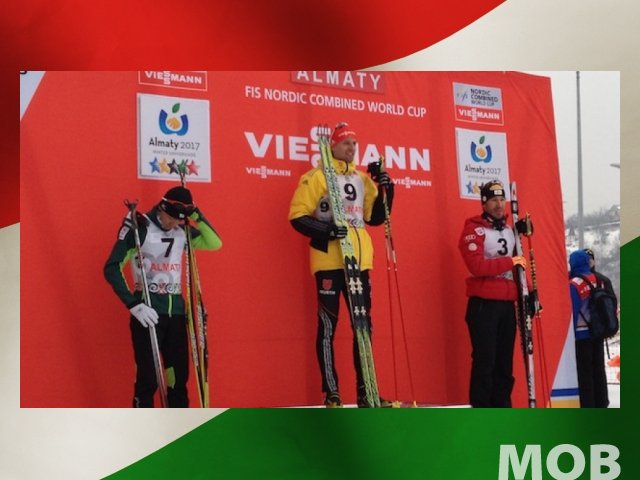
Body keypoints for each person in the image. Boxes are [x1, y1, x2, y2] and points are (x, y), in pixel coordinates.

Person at [289, 122, 393, 408]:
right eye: (346, 143)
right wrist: (326, 230)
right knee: (328, 325)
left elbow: (375, 218)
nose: (352, 148)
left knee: (363, 326)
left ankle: (366, 391)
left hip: (359, 261)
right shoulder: (316, 177)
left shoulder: (362, 180)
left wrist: (387, 188)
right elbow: (297, 216)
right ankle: (332, 392)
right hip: (329, 261)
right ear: (332, 145)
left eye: (354, 144)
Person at [104, 186, 222, 407]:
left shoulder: (182, 232)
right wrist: (134, 304)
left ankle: (179, 425)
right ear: (162, 208)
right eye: (171, 218)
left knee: (177, 379)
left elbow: (215, 243)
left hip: (175, 313)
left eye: (179, 219)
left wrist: (196, 215)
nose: (173, 223)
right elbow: (111, 268)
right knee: (148, 378)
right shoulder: (140, 228)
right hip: (147, 311)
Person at [458, 180, 527, 408]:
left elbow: (520, 267)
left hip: (507, 304)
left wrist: (528, 293)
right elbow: (477, 267)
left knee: (504, 363)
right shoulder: (474, 230)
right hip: (484, 305)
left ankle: (502, 409)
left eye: (501, 199)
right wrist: (510, 262)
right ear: (484, 203)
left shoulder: (509, 230)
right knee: (485, 361)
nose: (499, 205)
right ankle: (482, 411)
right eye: (493, 200)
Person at [568, 249, 609, 408]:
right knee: (599, 370)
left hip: (581, 335)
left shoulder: (575, 284)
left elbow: (572, 311)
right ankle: (602, 402)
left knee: (585, 374)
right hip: (597, 333)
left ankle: (588, 405)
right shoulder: (598, 279)